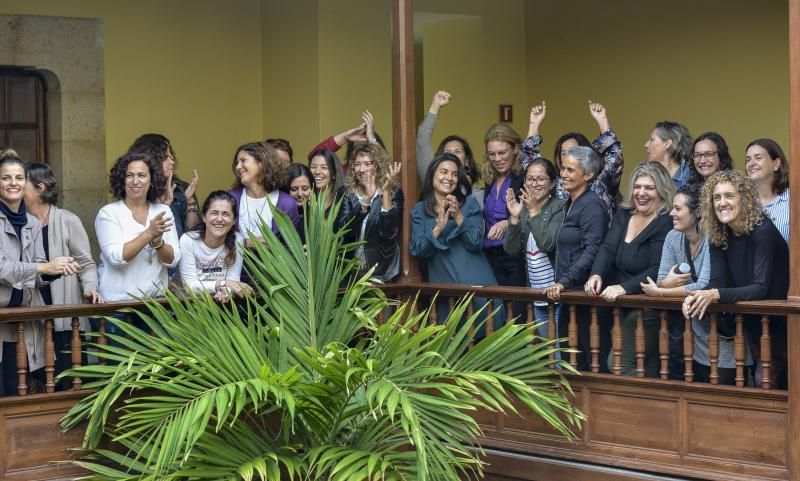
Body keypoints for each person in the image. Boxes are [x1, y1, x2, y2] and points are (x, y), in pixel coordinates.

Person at [684, 170, 789, 387]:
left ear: (744, 198)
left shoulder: (763, 230)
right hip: (750, 321)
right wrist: (696, 295)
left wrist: (714, 294)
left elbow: (760, 288)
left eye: (729, 196)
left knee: (766, 381)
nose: (722, 203)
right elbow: (718, 282)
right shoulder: (719, 234)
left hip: (780, 322)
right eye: (717, 197)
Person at [640, 183, 750, 384]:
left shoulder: (713, 236)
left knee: (724, 384)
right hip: (695, 328)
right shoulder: (673, 237)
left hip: (723, 325)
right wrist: (664, 285)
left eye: (678, 209)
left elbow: (705, 284)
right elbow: (660, 279)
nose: (672, 213)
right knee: (699, 384)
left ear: (697, 213)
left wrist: (661, 292)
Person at [0, 152, 81, 396]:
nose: (13, 183)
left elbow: (35, 271)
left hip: (25, 322)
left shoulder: (32, 223)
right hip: (2, 321)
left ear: (26, 183)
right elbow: (2, 267)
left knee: (20, 393)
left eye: (18, 177)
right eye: (5, 178)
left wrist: (55, 270)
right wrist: (43, 267)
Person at [585, 162, 674, 377]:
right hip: (617, 303)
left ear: (662, 191)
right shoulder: (624, 214)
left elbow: (657, 268)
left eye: (649, 188)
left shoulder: (665, 221)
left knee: (620, 364)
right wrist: (596, 273)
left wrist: (623, 287)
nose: (641, 193)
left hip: (647, 306)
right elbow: (607, 248)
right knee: (646, 367)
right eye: (637, 186)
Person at [24, 162, 104, 389]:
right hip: (34, 321)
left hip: (67, 324)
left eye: (23, 183)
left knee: (70, 386)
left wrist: (90, 288)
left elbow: (87, 264)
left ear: (40, 188)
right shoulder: (22, 224)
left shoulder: (68, 220)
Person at [410, 153, 498, 323]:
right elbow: (418, 250)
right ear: (432, 175)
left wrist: (458, 216)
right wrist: (438, 227)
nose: (449, 178)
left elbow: (475, 243)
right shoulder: (420, 210)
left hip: (477, 288)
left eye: (454, 174)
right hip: (445, 295)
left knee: (482, 342)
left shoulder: (469, 204)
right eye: (444, 172)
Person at [543, 146, 608, 370]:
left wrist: (564, 281)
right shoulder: (570, 203)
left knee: (586, 364)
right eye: (563, 168)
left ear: (588, 175)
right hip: (569, 295)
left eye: (571, 170)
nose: (563, 174)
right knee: (570, 363)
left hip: (584, 297)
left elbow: (593, 250)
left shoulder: (592, 206)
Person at [95, 152, 180, 304]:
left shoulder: (163, 211)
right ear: (122, 180)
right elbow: (117, 257)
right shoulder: (108, 213)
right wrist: (149, 233)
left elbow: (173, 260)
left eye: (141, 175)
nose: (135, 181)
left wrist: (158, 243)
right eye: (129, 175)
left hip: (155, 304)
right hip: (116, 304)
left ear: (151, 180)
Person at [523, 101, 624, 220]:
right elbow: (532, 166)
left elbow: (615, 157)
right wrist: (534, 124)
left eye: (573, 152)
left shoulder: (601, 184)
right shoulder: (558, 185)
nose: (567, 157)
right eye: (563, 153)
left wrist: (602, 121)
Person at [503, 158, 565, 336]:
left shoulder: (560, 208)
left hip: (558, 293)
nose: (534, 184)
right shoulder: (523, 208)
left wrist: (534, 212)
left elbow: (548, 244)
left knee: (561, 353)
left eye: (540, 179)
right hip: (537, 294)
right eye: (530, 179)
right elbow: (511, 249)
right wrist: (514, 219)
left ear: (553, 183)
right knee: (550, 350)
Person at [338, 143, 403, 283]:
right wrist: (366, 200)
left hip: (382, 273)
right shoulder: (347, 193)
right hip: (351, 272)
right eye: (357, 164)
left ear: (378, 166)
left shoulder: (393, 192)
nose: (362, 169)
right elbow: (345, 230)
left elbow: (389, 233)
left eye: (368, 164)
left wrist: (385, 192)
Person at [482, 123, 527, 310]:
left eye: (502, 152)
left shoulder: (524, 177)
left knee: (516, 313)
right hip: (488, 256)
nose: (497, 159)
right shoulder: (487, 179)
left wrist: (507, 223)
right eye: (492, 154)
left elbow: (534, 213)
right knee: (495, 312)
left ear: (515, 149)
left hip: (515, 255)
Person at [179, 191, 252, 301]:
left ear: (234, 220)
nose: (219, 219)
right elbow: (190, 287)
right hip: (187, 303)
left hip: (219, 301)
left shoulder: (237, 239)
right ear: (204, 217)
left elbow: (233, 280)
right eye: (214, 213)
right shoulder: (188, 240)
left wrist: (225, 291)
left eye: (226, 214)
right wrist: (224, 284)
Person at [416, 90, 484, 205]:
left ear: (466, 161)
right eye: (447, 152)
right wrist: (435, 106)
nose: (452, 155)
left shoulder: (477, 194)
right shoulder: (432, 181)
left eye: (457, 151)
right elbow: (422, 142)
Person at [127, 134, 200, 238]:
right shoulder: (136, 190)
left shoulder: (182, 188)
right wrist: (165, 206)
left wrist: (190, 202)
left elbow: (193, 236)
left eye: (171, 156)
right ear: (151, 159)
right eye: (166, 157)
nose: (172, 161)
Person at [229, 142, 299, 246]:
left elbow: (291, 246)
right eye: (237, 162)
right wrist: (244, 243)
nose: (238, 167)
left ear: (261, 163)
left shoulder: (287, 204)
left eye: (243, 161)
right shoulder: (231, 198)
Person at [308, 111, 386, 170]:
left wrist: (372, 140)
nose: (361, 151)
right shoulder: (343, 172)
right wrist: (344, 136)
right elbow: (315, 156)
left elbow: (385, 166)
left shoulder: (381, 173)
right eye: (357, 147)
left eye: (366, 147)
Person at [745, 138, 789, 242]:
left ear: (776, 164)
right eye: (748, 159)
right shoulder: (741, 200)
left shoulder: (793, 200)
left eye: (758, 158)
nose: (751, 163)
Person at [644, 121, 694, 188]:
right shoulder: (646, 174)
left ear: (667, 144)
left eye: (652, 140)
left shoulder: (692, 178)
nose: (646, 145)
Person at [308, 149, 346, 215]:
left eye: (324, 167)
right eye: (313, 167)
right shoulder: (305, 197)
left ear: (334, 174)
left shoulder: (344, 200)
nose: (317, 172)